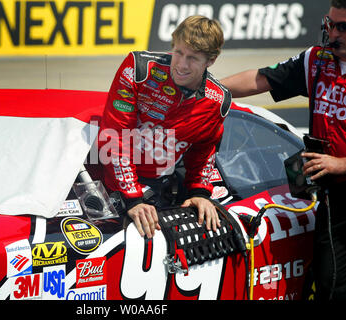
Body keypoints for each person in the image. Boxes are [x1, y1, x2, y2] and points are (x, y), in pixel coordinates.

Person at [220, 0, 346, 300]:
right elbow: (259, 79)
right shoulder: (316, 60)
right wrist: (202, 88)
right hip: (332, 199)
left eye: (342, 27)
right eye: (330, 23)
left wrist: (341, 165)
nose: (333, 34)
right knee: (329, 283)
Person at [98, 16, 231, 239]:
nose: (181, 64)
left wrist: (199, 192)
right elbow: (115, 136)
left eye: (192, 58)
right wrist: (133, 197)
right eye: (178, 52)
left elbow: (204, 151)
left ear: (211, 60)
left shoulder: (217, 101)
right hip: (102, 178)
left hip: (156, 186)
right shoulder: (139, 69)